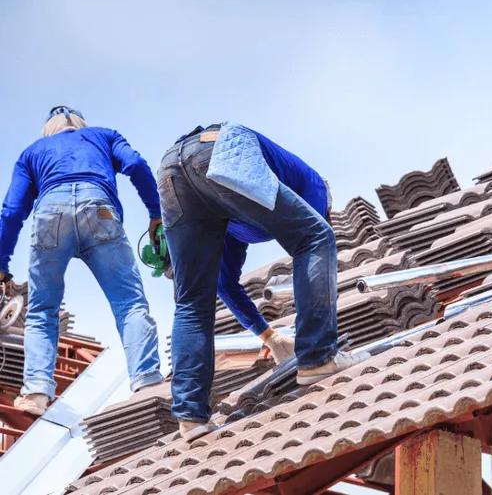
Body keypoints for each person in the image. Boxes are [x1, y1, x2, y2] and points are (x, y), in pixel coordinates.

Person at [157, 123, 359, 441]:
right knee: (317, 236)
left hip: (172, 169)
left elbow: (225, 284)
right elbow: (311, 239)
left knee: (193, 299)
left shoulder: (236, 214)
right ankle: (320, 358)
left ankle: (191, 417)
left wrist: (271, 337)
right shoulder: (315, 187)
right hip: (220, 147)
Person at [0, 107, 165, 415]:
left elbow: (11, 212)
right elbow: (136, 164)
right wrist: (156, 212)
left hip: (50, 215)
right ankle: (147, 383)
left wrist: (1, 264)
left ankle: (36, 392)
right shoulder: (104, 135)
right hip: (99, 209)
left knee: (42, 310)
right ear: (80, 124)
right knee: (129, 303)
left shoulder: (32, 152)